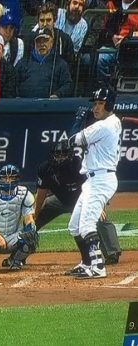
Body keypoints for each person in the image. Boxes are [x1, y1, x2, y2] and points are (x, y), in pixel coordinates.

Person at [34, 139, 121, 266]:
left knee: (99, 217)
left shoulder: (79, 164)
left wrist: (99, 206)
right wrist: (34, 213)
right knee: (33, 219)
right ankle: (20, 250)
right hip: (59, 200)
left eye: (63, 154)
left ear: (69, 155)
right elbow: (41, 192)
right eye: (57, 155)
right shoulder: (45, 168)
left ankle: (111, 252)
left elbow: (92, 185)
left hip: (82, 198)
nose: (60, 158)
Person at [66, 87, 122, 279]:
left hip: (101, 179)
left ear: (110, 104)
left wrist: (78, 121)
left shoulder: (103, 126)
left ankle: (98, 266)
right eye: (95, 103)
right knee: (75, 226)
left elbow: (72, 140)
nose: (95, 107)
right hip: (94, 179)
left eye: (100, 103)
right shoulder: (112, 122)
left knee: (87, 225)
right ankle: (87, 262)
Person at [15, 27, 73, 98]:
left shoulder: (60, 63)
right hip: (24, 105)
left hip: (50, 106)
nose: (42, 44)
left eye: (45, 40)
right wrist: (16, 96)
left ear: (51, 42)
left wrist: (58, 94)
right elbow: (13, 82)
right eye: (39, 41)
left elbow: (67, 85)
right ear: (35, 43)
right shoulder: (23, 62)